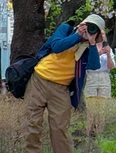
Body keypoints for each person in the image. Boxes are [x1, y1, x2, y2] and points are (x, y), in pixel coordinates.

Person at [24, 14, 104, 153]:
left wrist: (91, 44)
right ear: (81, 24)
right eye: (87, 25)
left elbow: (94, 65)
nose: (88, 30)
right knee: (32, 124)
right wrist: (78, 35)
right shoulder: (66, 29)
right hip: (39, 80)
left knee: (60, 129)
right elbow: (56, 46)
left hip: (61, 88)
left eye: (93, 29)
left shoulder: (88, 48)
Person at [83, 30, 115, 98]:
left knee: (104, 100)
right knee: (90, 99)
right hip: (91, 75)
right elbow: (87, 62)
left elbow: (111, 67)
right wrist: (99, 53)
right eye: (99, 34)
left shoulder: (108, 48)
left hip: (104, 76)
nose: (101, 36)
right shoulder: (88, 47)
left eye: (103, 34)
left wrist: (108, 55)